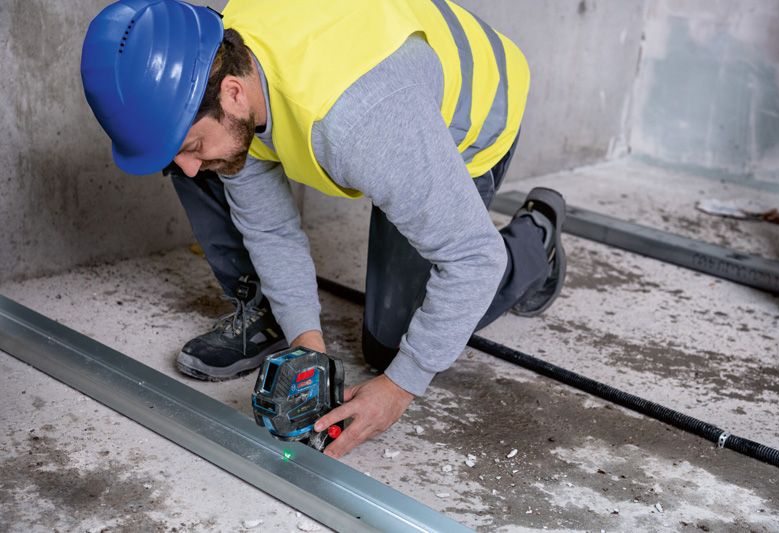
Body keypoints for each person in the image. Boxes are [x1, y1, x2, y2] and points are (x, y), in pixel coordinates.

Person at [80, 0, 567, 458]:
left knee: (395, 343)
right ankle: (265, 312)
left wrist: (399, 389)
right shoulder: (223, 65)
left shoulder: (361, 123)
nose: (187, 168)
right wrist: (306, 343)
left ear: (232, 92)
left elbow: (472, 259)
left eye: (191, 143)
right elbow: (270, 230)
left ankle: (535, 239)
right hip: (391, 112)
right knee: (210, 164)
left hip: (467, 119)